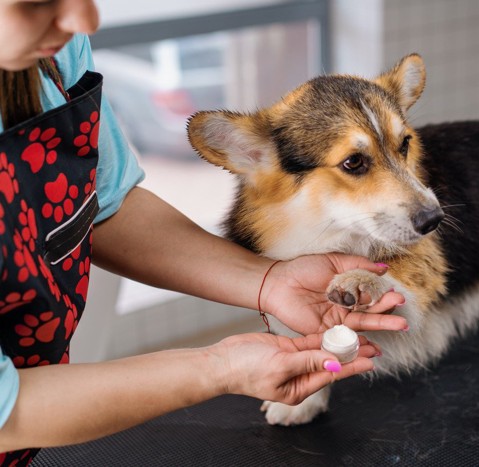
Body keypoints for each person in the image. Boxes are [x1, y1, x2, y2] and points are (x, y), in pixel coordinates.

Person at [0, 0, 407, 464]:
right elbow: (5, 408)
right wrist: (221, 368)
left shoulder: (56, 49)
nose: (83, 23)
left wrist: (266, 280)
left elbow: (102, 204)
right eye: (35, 3)